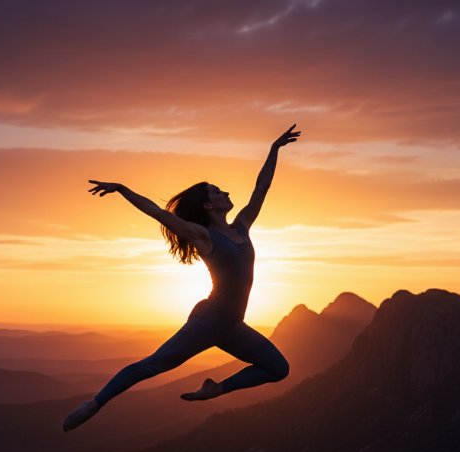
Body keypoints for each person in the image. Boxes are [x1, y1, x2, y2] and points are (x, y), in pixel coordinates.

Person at [62, 124, 301, 431]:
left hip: (232, 325)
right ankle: (93, 404)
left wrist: (273, 149)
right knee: (154, 365)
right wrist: (122, 189)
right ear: (207, 205)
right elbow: (158, 214)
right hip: (209, 320)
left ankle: (217, 389)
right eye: (217, 191)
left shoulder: (241, 226)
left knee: (278, 368)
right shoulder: (203, 236)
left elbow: (261, 188)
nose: (226, 192)